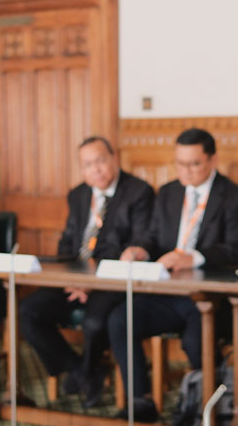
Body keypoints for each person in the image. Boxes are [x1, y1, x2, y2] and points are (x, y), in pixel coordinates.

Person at [107, 127, 238, 422]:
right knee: (121, 319)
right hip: (168, 292)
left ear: (212, 160)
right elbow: (152, 237)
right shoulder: (168, 193)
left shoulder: (235, 197)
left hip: (210, 296)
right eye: (180, 163)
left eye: (194, 164)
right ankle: (141, 401)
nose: (186, 171)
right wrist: (140, 250)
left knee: (195, 339)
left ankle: (207, 406)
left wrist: (194, 257)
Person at [17, 136, 154, 407]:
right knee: (27, 311)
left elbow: (137, 244)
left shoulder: (138, 192)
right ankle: (80, 370)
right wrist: (69, 279)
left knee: (95, 322)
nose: (96, 170)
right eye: (87, 165)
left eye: (100, 161)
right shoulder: (78, 194)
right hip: (74, 278)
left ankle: (85, 372)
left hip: (112, 282)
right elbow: (67, 244)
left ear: (114, 158)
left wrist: (92, 282)